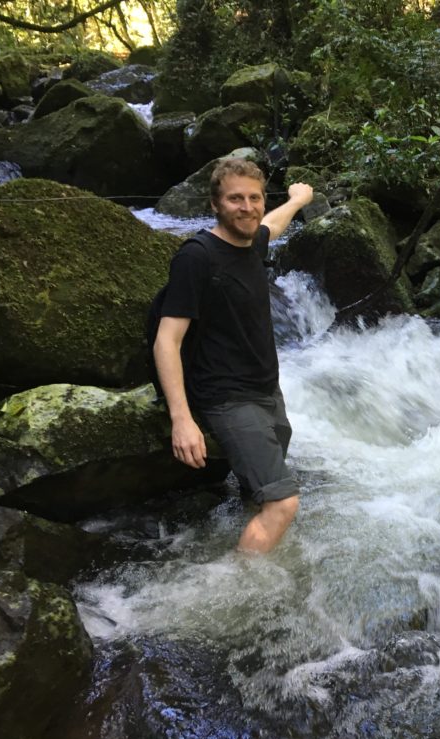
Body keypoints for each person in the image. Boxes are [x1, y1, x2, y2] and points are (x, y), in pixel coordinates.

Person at [153, 157, 314, 553]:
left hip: (266, 392)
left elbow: (272, 227)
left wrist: (297, 199)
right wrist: (182, 421)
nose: (247, 207)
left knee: (258, 494)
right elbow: (167, 341)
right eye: (235, 199)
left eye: (254, 198)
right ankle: (250, 591)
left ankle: (247, 544)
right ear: (215, 204)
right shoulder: (197, 257)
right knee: (282, 502)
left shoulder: (250, 243)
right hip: (227, 397)